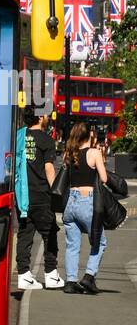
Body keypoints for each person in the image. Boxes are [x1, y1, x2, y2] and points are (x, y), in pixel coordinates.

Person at [15, 109, 64, 290]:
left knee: (25, 235)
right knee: (49, 233)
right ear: (40, 117)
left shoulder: (18, 137)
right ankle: (51, 275)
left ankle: (23, 275)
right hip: (42, 195)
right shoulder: (46, 140)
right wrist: (55, 192)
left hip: (22, 196)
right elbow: (49, 168)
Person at [61, 122, 109, 294]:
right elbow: (103, 178)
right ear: (90, 134)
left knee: (72, 245)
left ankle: (70, 281)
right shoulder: (94, 153)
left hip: (70, 203)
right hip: (86, 201)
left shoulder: (69, 153)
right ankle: (89, 276)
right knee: (100, 240)